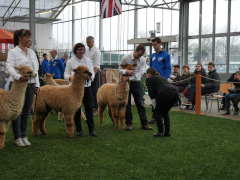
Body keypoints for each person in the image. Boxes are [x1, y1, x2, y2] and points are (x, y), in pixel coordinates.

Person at [6, 29, 40, 146]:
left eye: (29, 37)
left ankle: (24, 135)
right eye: (26, 37)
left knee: (27, 111)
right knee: (17, 112)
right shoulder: (13, 52)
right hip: (17, 85)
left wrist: (37, 84)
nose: (29, 39)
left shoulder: (32, 53)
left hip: (30, 85)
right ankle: (17, 137)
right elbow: (9, 67)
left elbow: (36, 70)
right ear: (20, 38)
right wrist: (18, 76)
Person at [64, 43, 97, 137]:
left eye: (83, 49)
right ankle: (79, 130)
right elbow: (65, 74)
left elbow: (92, 72)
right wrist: (70, 77)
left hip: (86, 88)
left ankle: (91, 129)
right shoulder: (70, 61)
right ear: (75, 50)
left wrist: (91, 77)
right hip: (74, 89)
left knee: (89, 108)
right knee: (77, 109)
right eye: (80, 49)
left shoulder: (88, 60)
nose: (82, 51)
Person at [118, 44, 153, 131]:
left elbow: (140, 73)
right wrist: (126, 71)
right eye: (139, 55)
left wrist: (129, 77)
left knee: (140, 103)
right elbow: (119, 69)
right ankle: (129, 124)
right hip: (126, 84)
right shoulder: (125, 58)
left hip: (136, 83)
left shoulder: (143, 59)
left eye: (141, 55)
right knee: (127, 104)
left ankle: (145, 124)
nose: (139, 57)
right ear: (135, 51)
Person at [146, 68, 179, 137]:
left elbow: (151, 94)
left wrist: (154, 106)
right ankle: (167, 132)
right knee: (165, 112)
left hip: (165, 93)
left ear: (149, 74)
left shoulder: (149, 79)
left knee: (157, 112)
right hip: (175, 92)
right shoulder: (161, 77)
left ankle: (160, 132)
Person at [148, 37, 171, 124]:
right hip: (153, 80)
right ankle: (154, 117)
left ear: (160, 44)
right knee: (153, 98)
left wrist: (164, 79)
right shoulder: (152, 55)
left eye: (155, 44)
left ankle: (162, 117)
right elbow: (150, 68)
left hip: (161, 81)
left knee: (161, 99)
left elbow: (168, 68)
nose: (153, 46)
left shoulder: (166, 55)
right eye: (152, 44)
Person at [85, 36, 101, 116]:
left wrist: (93, 76)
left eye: (89, 42)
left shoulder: (96, 51)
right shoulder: (87, 51)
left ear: (93, 42)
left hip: (94, 72)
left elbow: (97, 65)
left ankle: (95, 108)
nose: (87, 44)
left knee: (94, 91)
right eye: (87, 42)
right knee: (88, 90)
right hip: (87, 72)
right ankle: (90, 108)